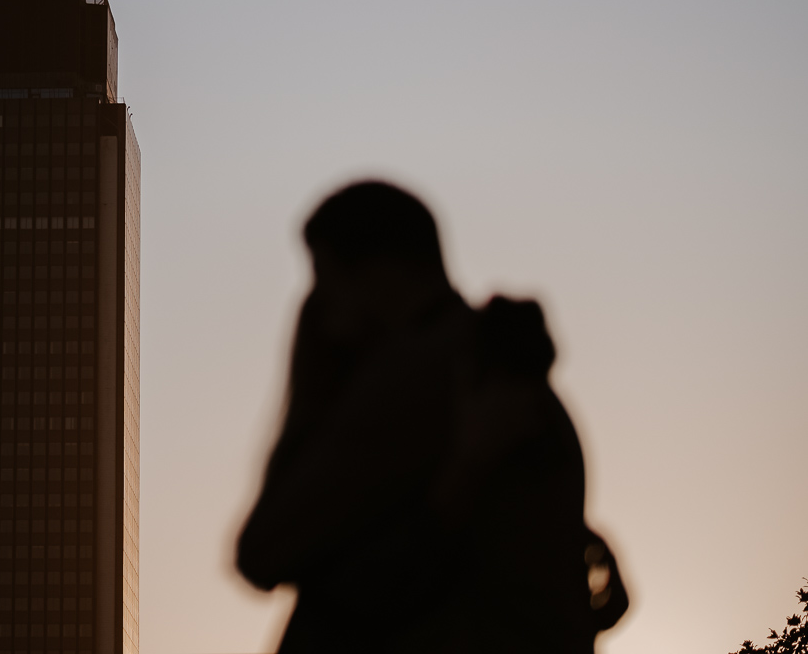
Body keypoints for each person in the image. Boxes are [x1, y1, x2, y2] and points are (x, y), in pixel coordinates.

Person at [236, 181, 626, 652]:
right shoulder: (494, 369)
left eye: (321, 274)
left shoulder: (419, 372)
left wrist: (310, 382)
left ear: (371, 271)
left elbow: (263, 552)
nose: (318, 302)